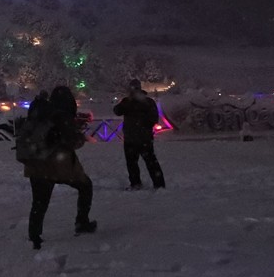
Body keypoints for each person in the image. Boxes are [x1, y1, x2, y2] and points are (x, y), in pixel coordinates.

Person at [22, 85, 96, 250]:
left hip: (35, 163)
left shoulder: (40, 113)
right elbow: (73, 141)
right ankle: (82, 222)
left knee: (39, 202)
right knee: (85, 186)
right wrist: (79, 136)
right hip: (58, 165)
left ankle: (34, 236)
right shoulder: (62, 116)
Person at [114, 79, 166, 189]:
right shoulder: (144, 102)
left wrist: (142, 125)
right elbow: (117, 111)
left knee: (138, 163)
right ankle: (156, 184)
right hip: (139, 138)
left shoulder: (140, 102)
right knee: (146, 162)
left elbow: (117, 111)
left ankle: (140, 183)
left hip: (136, 137)